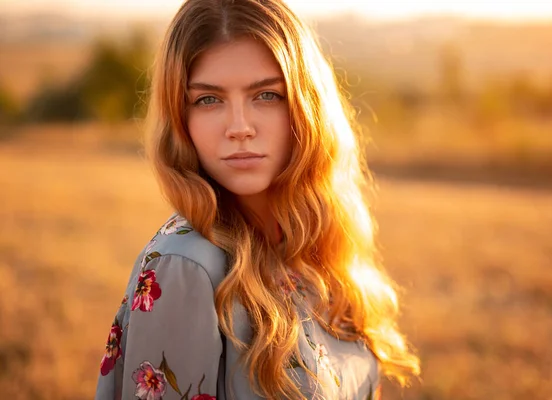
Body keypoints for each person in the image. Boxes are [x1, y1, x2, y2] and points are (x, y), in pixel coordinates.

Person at [94, 0, 419, 399]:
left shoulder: (313, 242)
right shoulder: (186, 269)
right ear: (181, 119)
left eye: (266, 95)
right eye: (208, 100)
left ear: (305, 106)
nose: (240, 127)